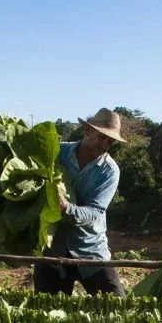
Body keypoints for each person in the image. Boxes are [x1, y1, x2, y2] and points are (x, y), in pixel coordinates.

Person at [34, 108, 126, 296]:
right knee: (45, 309)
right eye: (102, 137)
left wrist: (65, 208)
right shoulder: (57, 152)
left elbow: (95, 212)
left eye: (110, 141)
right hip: (53, 249)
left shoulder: (109, 171)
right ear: (87, 130)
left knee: (117, 306)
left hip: (90, 249)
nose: (105, 144)